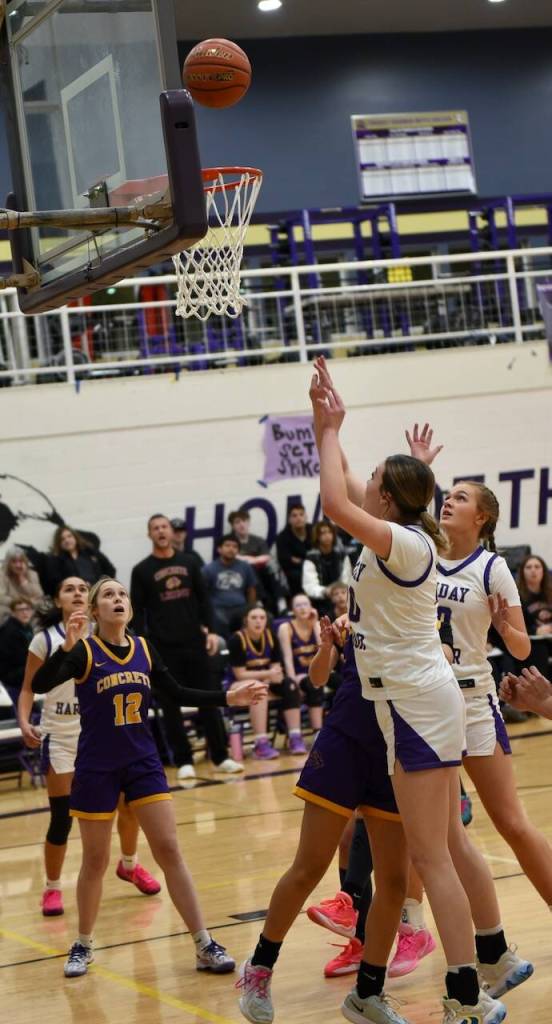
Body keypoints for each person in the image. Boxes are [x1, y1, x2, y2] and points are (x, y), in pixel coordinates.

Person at [238, 393, 516, 1024]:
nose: (363, 483)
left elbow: (338, 500)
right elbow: (357, 494)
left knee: (425, 861)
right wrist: (415, 466)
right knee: (357, 861)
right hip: (390, 708)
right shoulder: (399, 532)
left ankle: (467, 995)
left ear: (388, 501)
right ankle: (320, 980)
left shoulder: (404, 542)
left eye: (375, 483)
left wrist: (326, 427)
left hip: (414, 702)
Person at [31, 576, 267, 977]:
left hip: (143, 762)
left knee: (170, 850)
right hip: (96, 766)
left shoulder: (142, 648)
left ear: (130, 608)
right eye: (108, 595)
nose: (118, 599)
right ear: (95, 611)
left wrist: (228, 697)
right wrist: (68, 646)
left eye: (122, 594)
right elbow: (40, 683)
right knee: (95, 860)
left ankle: (203, 943)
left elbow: (175, 692)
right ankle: (82, 944)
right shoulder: (84, 651)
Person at [437, 481, 552, 911]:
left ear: (481, 517)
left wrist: (505, 629)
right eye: (447, 495)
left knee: (510, 822)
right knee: (429, 832)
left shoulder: (492, 567)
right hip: (425, 702)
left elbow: (522, 650)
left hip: (472, 703)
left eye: (460, 498)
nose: (448, 500)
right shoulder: (424, 555)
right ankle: (417, 929)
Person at [18, 577, 161, 918]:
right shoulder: (46, 639)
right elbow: (29, 687)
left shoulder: (107, 635)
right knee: (62, 818)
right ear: (58, 601)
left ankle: (129, 864)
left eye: (83, 588)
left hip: (101, 734)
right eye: (69, 590)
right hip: (62, 735)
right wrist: (24, 722)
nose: (78, 593)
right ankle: (52, 886)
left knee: (129, 807)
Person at [130, 514, 242, 779]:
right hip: (162, 648)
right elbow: (137, 612)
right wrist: (143, 645)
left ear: (171, 532)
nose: (160, 531)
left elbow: (205, 601)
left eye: (164, 527)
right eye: (155, 528)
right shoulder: (142, 570)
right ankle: (183, 761)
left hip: (195, 642)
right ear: (149, 534)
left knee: (209, 699)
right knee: (170, 705)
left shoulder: (190, 562)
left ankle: (221, 756)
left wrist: (213, 631)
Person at [227, 605, 307, 759]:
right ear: (246, 621)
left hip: (264, 681)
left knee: (290, 685)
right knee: (258, 689)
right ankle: (260, 743)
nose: (258, 621)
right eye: (254, 618)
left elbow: (276, 669)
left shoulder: (271, 636)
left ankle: (295, 737)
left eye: (262, 618)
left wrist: (272, 675)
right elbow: (240, 673)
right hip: (237, 685)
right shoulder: (237, 639)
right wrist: (268, 675)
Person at [277, 593, 325, 735]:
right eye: (298, 605)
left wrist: (315, 625)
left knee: (341, 682)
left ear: (311, 607)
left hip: (317, 672)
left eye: (305, 604)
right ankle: (318, 732)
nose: (303, 608)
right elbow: (287, 658)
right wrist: (292, 680)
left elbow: (324, 651)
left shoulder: (316, 625)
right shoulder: (286, 628)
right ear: (293, 609)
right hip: (299, 674)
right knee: (314, 684)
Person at [24, 526, 116, 595]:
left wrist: (101, 586)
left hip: (98, 593)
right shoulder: (55, 560)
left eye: (69, 536)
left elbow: (110, 569)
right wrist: (78, 587)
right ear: (59, 543)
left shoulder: (90, 552)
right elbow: (54, 583)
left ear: (75, 537)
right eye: (62, 539)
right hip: (76, 597)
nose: (67, 540)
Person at [203, 533, 257, 638]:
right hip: (219, 609)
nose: (231, 549)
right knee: (218, 620)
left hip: (241, 607)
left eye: (235, 546)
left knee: (263, 616)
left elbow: (251, 589)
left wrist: (252, 608)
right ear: (219, 549)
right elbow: (202, 594)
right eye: (227, 546)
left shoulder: (245, 567)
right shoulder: (208, 569)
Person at [229, 508, 282, 614]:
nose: (241, 525)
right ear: (233, 526)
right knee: (250, 568)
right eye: (237, 522)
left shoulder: (258, 540)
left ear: (248, 522)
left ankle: (281, 602)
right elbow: (235, 557)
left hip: (262, 569)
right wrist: (255, 560)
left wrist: (251, 559)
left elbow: (267, 557)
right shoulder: (230, 541)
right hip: (241, 572)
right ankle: (258, 602)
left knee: (273, 566)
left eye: (244, 521)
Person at [302, 520, 352, 617]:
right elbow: (309, 586)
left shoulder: (342, 555)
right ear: (317, 536)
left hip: (341, 597)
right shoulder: (311, 558)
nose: (327, 535)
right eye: (323, 533)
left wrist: (339, 592)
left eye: (329, 532)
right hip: (320, 603)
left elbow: (347, 579)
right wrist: (326, 591)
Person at [0, 598, 34, 707]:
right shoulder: (8, 631)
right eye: (20, 610)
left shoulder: (26, 627)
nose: (25, 613)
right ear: (13, 613)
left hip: (22, 670)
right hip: (11, 676)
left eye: (27, 609)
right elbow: (18, 659)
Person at [275, 504, 313, 598]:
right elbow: (286, 559)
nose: (298, 518)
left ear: (306, 516)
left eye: (301, 514)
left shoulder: (313, 530)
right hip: (296, 571)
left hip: (315, 564)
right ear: (289, 519)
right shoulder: (283, 537)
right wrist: (304, 562)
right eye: (294, 515)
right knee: (295, 575)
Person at [0, 546, 43, 625]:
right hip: (10, 609)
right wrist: (22, 602)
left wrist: (23, 580)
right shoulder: (2, 575)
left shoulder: (32, 574)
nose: (18, 565)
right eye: (14, 562)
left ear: (25, 562)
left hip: (31, 609)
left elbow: (39, 595)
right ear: (8, 563)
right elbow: (1, 597)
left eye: (20, 561)